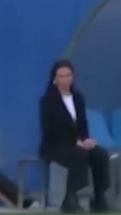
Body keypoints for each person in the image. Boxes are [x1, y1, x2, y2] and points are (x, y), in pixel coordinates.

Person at [38, 60, 111, 213]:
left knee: (100, 155)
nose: (65, 79)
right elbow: (50, 129)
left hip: (78, 144)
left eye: (68, 75)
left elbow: (83, 124)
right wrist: (75, 142)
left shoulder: (78, 98)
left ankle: (99, 197)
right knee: (79, 155)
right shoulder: (47, 101)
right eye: (62, 76)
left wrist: (86, 139)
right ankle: (70, 198)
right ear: (55, 79)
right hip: (55, 145)